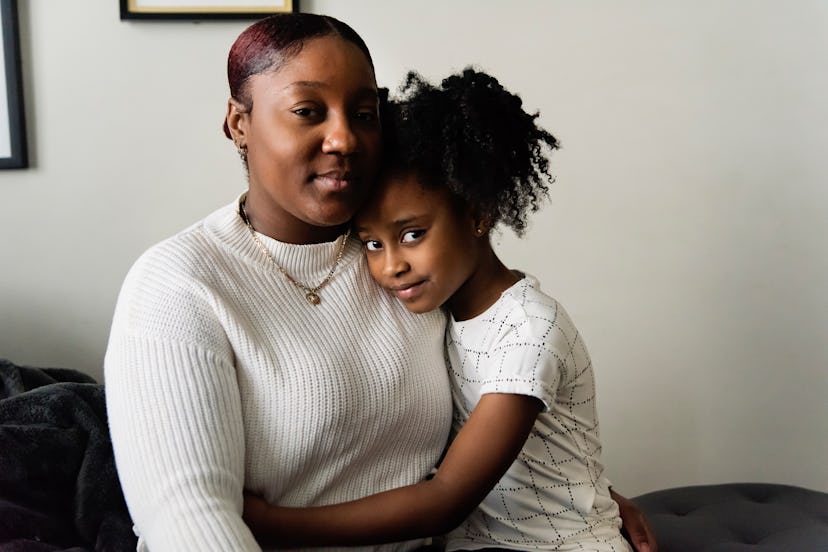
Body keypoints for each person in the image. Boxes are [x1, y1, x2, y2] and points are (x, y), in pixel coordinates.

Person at [104, 12, 654, 552]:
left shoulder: (397, 256)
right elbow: (187, 516)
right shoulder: (177, 285)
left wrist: (580, 499)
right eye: (307, 110)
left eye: (364, 113)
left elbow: (492, 401)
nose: (344, 138)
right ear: (238, 122)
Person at [241, 68, 655, 552]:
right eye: (372, 243)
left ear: (478, 214)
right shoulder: (433, 312)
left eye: (413, 234)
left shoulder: (528, 330)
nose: (392, 265)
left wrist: (272, 523)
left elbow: (446, 498)